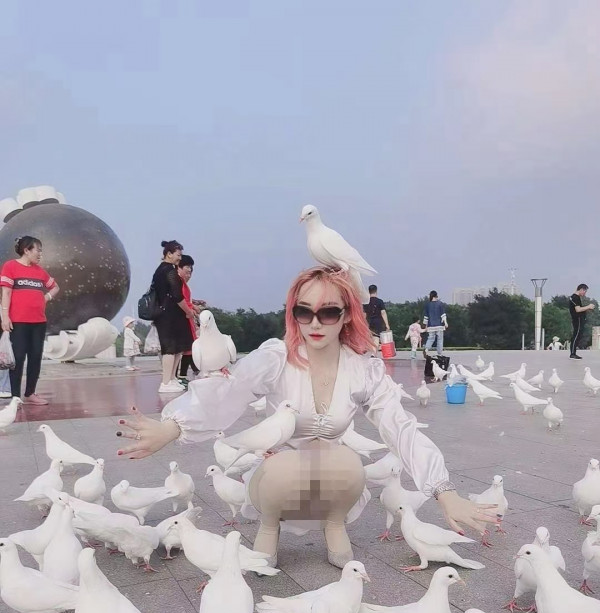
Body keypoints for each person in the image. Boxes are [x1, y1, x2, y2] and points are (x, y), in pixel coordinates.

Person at [116, 266, 496, 570]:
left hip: (334, 477)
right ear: (293, 313)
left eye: (328, 312)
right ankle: (269, 527)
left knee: (350, 465)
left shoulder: (362, 370)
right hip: (278, 476)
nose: (315, 323)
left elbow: (400, 427)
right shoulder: (276, 358)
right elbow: (229, 392)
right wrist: (172, 427)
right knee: (285, 468)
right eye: (304, 311)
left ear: (346, 316)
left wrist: (443, 491)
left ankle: (334, 524)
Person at [0, 236, 59, 405]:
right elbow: (6, 293)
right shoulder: (10, 266)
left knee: (35, 357)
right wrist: (5, 316)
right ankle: (15, 397)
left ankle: (30, 393)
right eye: (37, 250)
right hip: (18, 322)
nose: (40, 254)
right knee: (17, 358)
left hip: (39, 322)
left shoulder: (40, 271)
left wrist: (46, 297)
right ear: (27, 250)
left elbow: (55, 287)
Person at [151, 240, 195, 392]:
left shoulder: (162, 269)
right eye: (178, 255)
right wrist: (189, 311)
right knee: (169, 348)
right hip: (168, 315)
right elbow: (177, 295)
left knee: (178, 347)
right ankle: (165, 382)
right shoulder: (169, 270)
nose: (179, 258)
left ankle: (172, 379)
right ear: (169, 254)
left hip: (171, 315)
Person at [176, 255, 204, 383]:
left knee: (189, 349)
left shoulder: (183, 285)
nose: (189, 275)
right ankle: (179, 376)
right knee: (183, 349)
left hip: (187, 319)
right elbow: (181, 301)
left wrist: (193, 306)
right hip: (183, 319)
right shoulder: (178, 283)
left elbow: (187, 301)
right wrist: (190, 310)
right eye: (187, 269)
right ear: (179, 268)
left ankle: (183, 375)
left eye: (190, 272)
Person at [569, 283, 594, 359]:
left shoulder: (576, 297)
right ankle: (572, 353)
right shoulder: (575, 297)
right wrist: (588, 306)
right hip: (578, 319)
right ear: (581, 289)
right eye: (584, 291)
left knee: (578, 335)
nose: (584, 293)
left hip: (579, 319)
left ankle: (573, 352)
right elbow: (578, 309)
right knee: (576, 335)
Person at [422, 291, 447, 356]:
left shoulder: (428, 305)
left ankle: (426, 349)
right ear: (436, 296)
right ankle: (439, 354)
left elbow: (426, 317)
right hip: (439, 325)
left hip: (431, 325)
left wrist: (425, 325)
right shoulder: (440, 303)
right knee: (440, 339)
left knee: (430, 338)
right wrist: (446, 323)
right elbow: (443, 315)